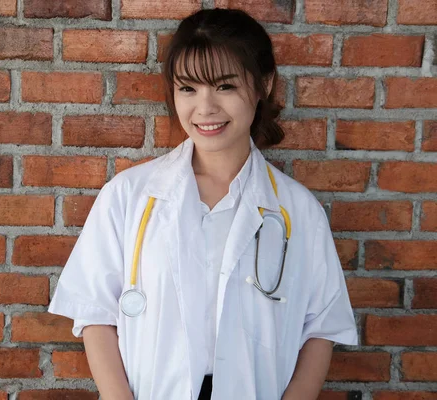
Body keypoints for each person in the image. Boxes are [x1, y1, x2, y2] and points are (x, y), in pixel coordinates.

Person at [48, 8, 358, 400]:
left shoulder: (298, 211)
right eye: (188, 89)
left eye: (225, 87)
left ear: (263, 83)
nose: (205, 108)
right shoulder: (129, 196)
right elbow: (95, 315)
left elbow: (321, 329)